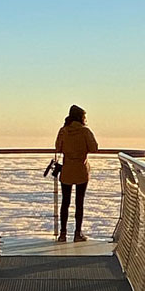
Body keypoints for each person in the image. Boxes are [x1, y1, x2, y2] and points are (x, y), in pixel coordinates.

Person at [54, 104, 98, 242]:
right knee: (79, 202)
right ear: (81, 117)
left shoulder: (63, 131)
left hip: (67, 170)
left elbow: (58, 147)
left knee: (65, 202)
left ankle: (62, 233)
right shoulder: (85, 131)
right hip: (81, 170)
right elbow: (94, 148)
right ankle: (77, 233)